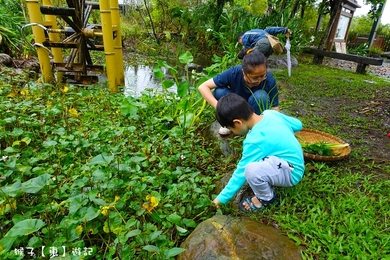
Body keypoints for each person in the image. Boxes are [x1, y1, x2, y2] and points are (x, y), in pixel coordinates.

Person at [213, 93, 305, 212]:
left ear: (238, 122)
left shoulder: (254, 140)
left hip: (292, 174)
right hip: (296, 161)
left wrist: (220, 200)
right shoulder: (270, 114)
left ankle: (266, 198)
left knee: (250, 170)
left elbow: (241, 172)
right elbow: (298, 125)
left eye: (231, 129)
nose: (232, 132)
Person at [198, 50, 279, 136]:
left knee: (261, 96)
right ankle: (230, 123)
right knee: (219, 92)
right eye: (254, 78)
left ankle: (253, 127)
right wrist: (220, 108)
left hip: (254, 109)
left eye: (262, 76)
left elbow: (275, 107)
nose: (259, 80)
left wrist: (276, 126)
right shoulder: (234, 73)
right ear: (244, 72)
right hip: (236, 106)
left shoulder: (269, 81)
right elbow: (203, 87)